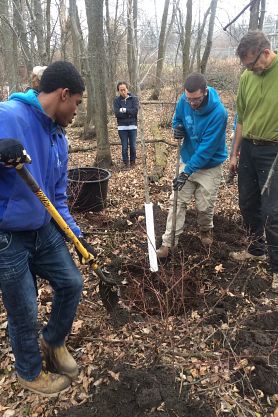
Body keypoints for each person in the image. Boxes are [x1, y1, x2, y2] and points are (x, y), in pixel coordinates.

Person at [0, 61, 97, 395]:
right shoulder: (10, 115)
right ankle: (29, 371)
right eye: (78, 104)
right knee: (24, 308)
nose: (77, 112)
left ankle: (53, 342)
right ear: (63, 94)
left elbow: (57, 198)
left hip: (43, 230)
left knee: (71, 282)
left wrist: (79, 238)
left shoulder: (59, 138)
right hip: (7, 234)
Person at [156, 73, 228, 258]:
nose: (192, 103)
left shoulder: (219, 113)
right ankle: (168, 243)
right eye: (189, 99)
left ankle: (206, 229)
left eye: (195, 99)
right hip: (187, 159)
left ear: (205, 92)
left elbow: (206, 150)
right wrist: (177, 128)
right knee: (177, 201)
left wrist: (186, 172)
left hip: (209, 165)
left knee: (204, 206)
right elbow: (177, 119)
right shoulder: (184, 100)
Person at [229, 30, 278, 293]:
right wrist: (234, 153)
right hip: (249, 147)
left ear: (266, 53)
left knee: (273, 211)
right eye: (246, 65)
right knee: (247, 202)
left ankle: (277, 266)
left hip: (275, 149)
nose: (249, 69)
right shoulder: (248, 77)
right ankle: (256, 249)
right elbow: (242, 119)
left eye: (252, 63)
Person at [113, 81, 139, 168]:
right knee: (124, 147)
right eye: (121, 90)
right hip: (122, 127)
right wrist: (128, 112)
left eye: (124, 89)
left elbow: (135, 111)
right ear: (118, 91)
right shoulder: (116, 101)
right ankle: (126, 163)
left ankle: (132, 161)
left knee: (133, 146)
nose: (123, 92)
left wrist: (124, 110)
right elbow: (117, 114)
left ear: (127, 89)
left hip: (133, 126)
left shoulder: (134, 99)